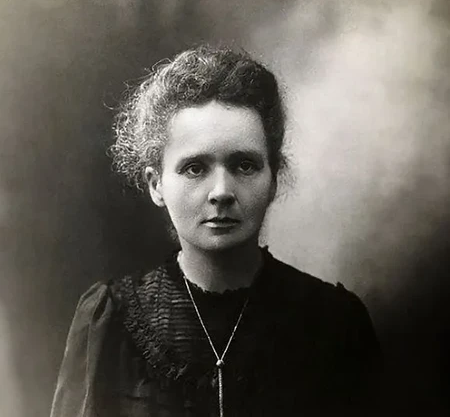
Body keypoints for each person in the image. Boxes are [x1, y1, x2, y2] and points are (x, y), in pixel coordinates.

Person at [50, 45, 382, 417]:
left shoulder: (334, 323)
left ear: (273, 179)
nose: (221, 191)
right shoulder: (110, 320)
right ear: (156, 185)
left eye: (244, 165)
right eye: (195, 168)